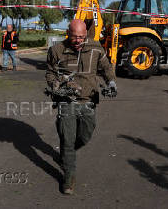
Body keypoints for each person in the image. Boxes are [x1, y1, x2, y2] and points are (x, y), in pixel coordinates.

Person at [46, 19, 117, 195]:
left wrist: (112, 83)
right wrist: (55, 84)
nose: (78, 40)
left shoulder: (96, 48)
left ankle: (65, 152)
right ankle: (68, 178)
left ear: (86, 35)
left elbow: (107, 67)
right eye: (75, 37)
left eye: (82, 37)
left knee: (85, 135)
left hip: (89, 101)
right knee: (68, 139)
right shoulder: (57, 50)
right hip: (67, 102)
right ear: (68, 33)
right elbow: (50, 72)